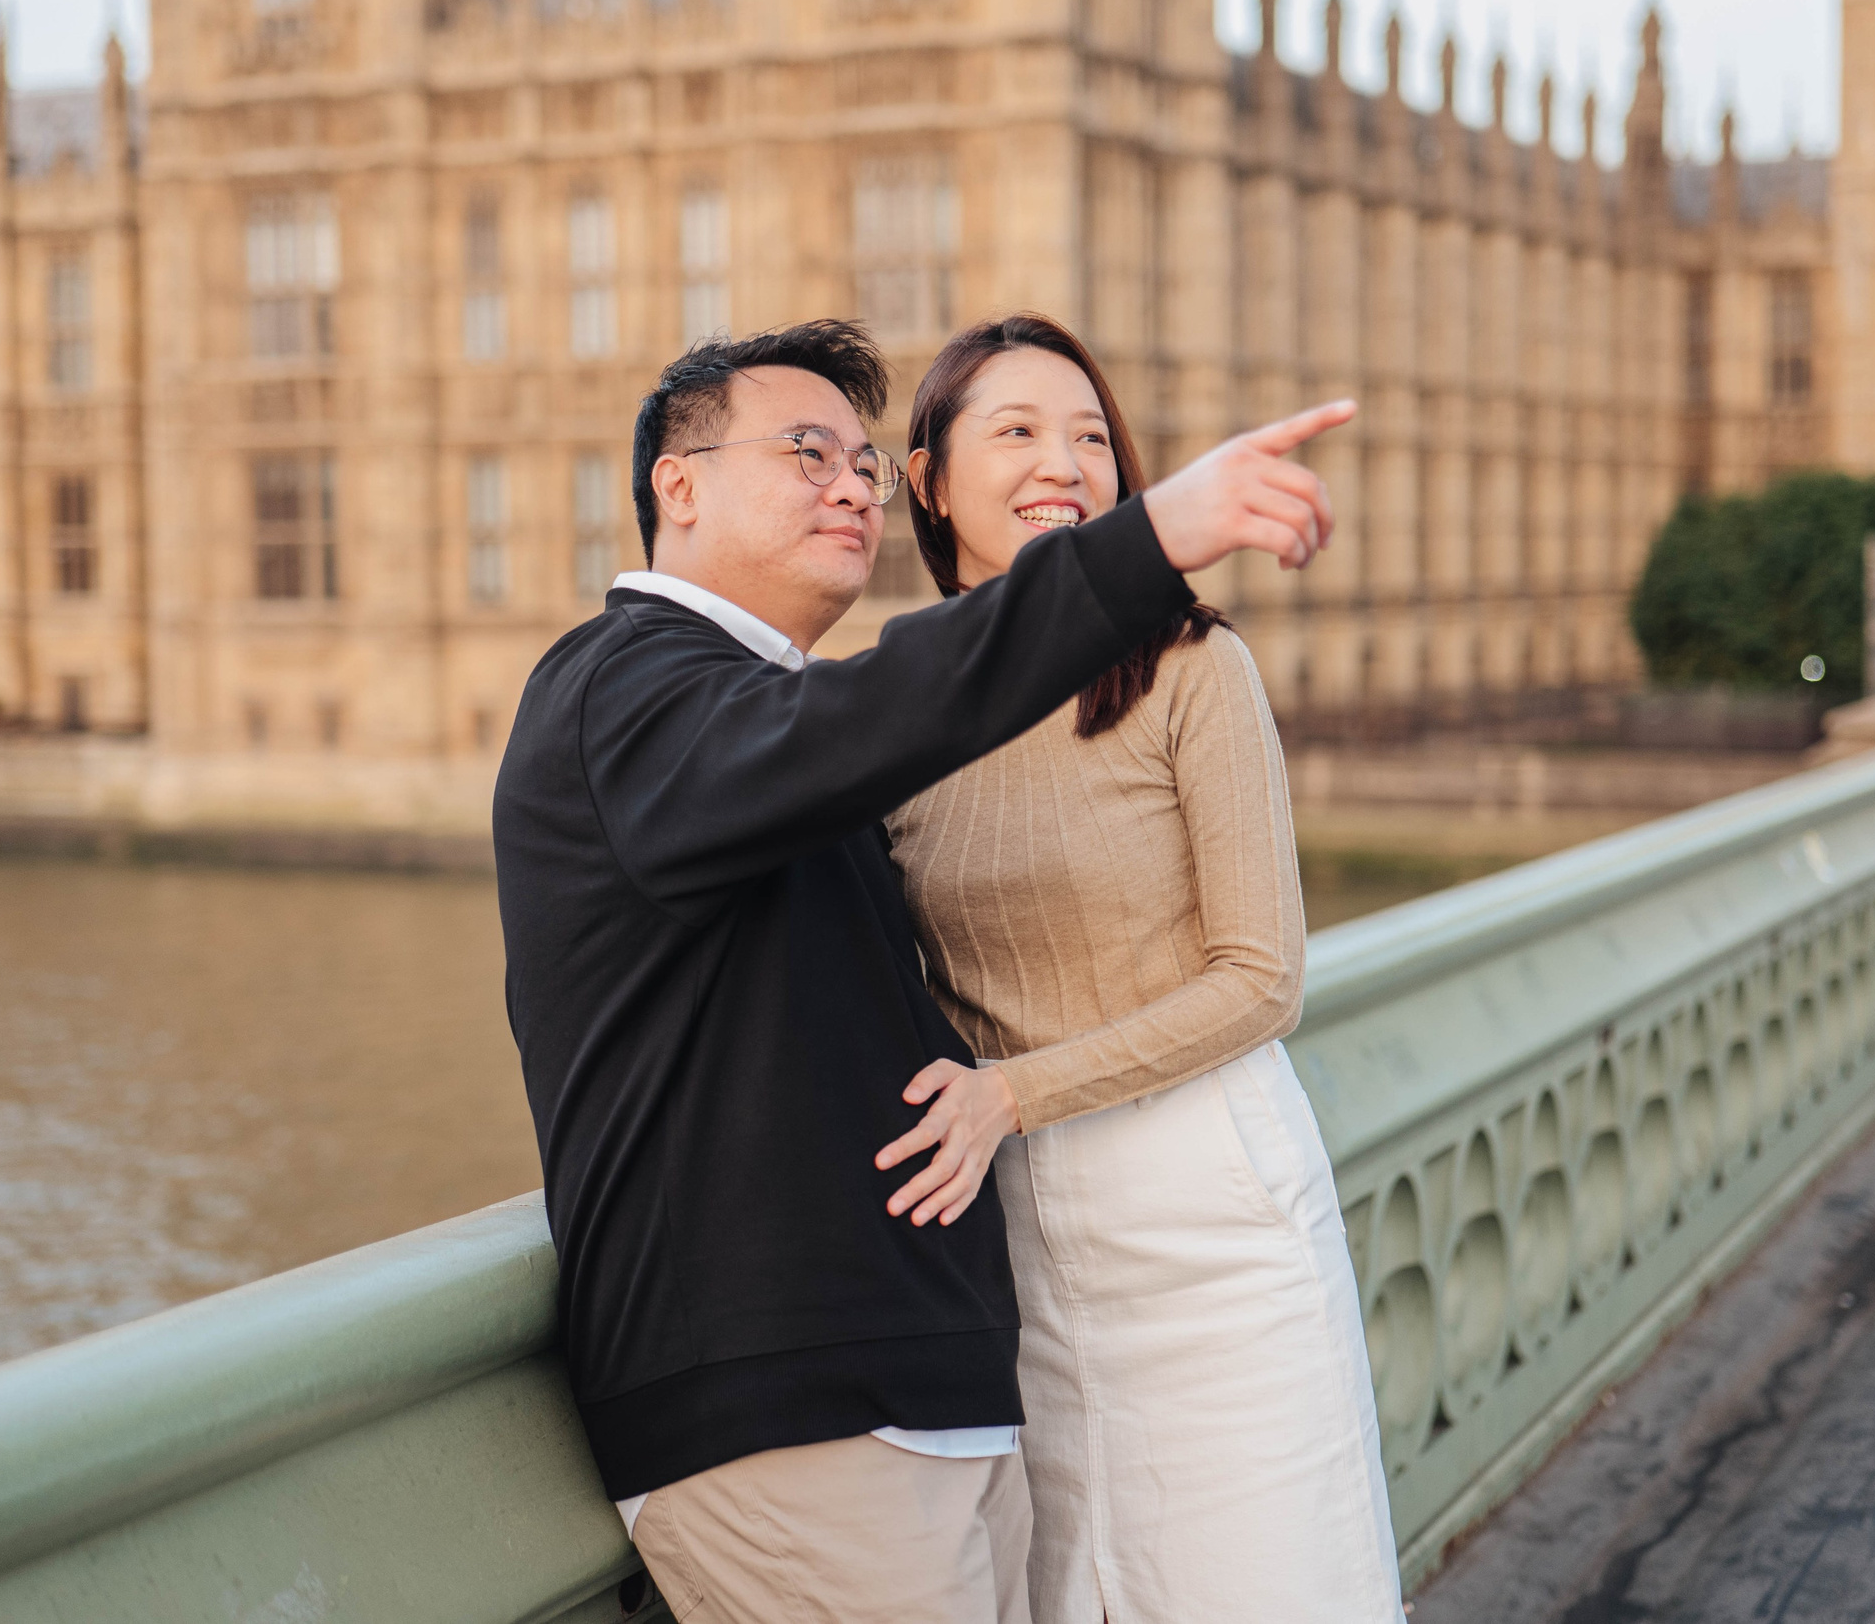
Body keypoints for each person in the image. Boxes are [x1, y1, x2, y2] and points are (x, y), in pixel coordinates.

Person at [493, 317, 1353, 1624]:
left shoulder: (785, 717)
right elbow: (874, 713)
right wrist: (1148, 545)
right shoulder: (629, 688)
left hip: (941, 1377)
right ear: (680, 485)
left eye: (860, 464)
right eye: (804, 451)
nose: (849, 485)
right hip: (791, 1402)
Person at [878, 313, 1402, 1623]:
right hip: (1023, 1258)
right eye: (1018, 432)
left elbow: (1261, 979)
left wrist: (1012, 1093)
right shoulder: (894, 712)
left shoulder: (1188, 667)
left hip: (1207, 1221)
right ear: (930, 482)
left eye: (1092, 437)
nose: (1064, 462)